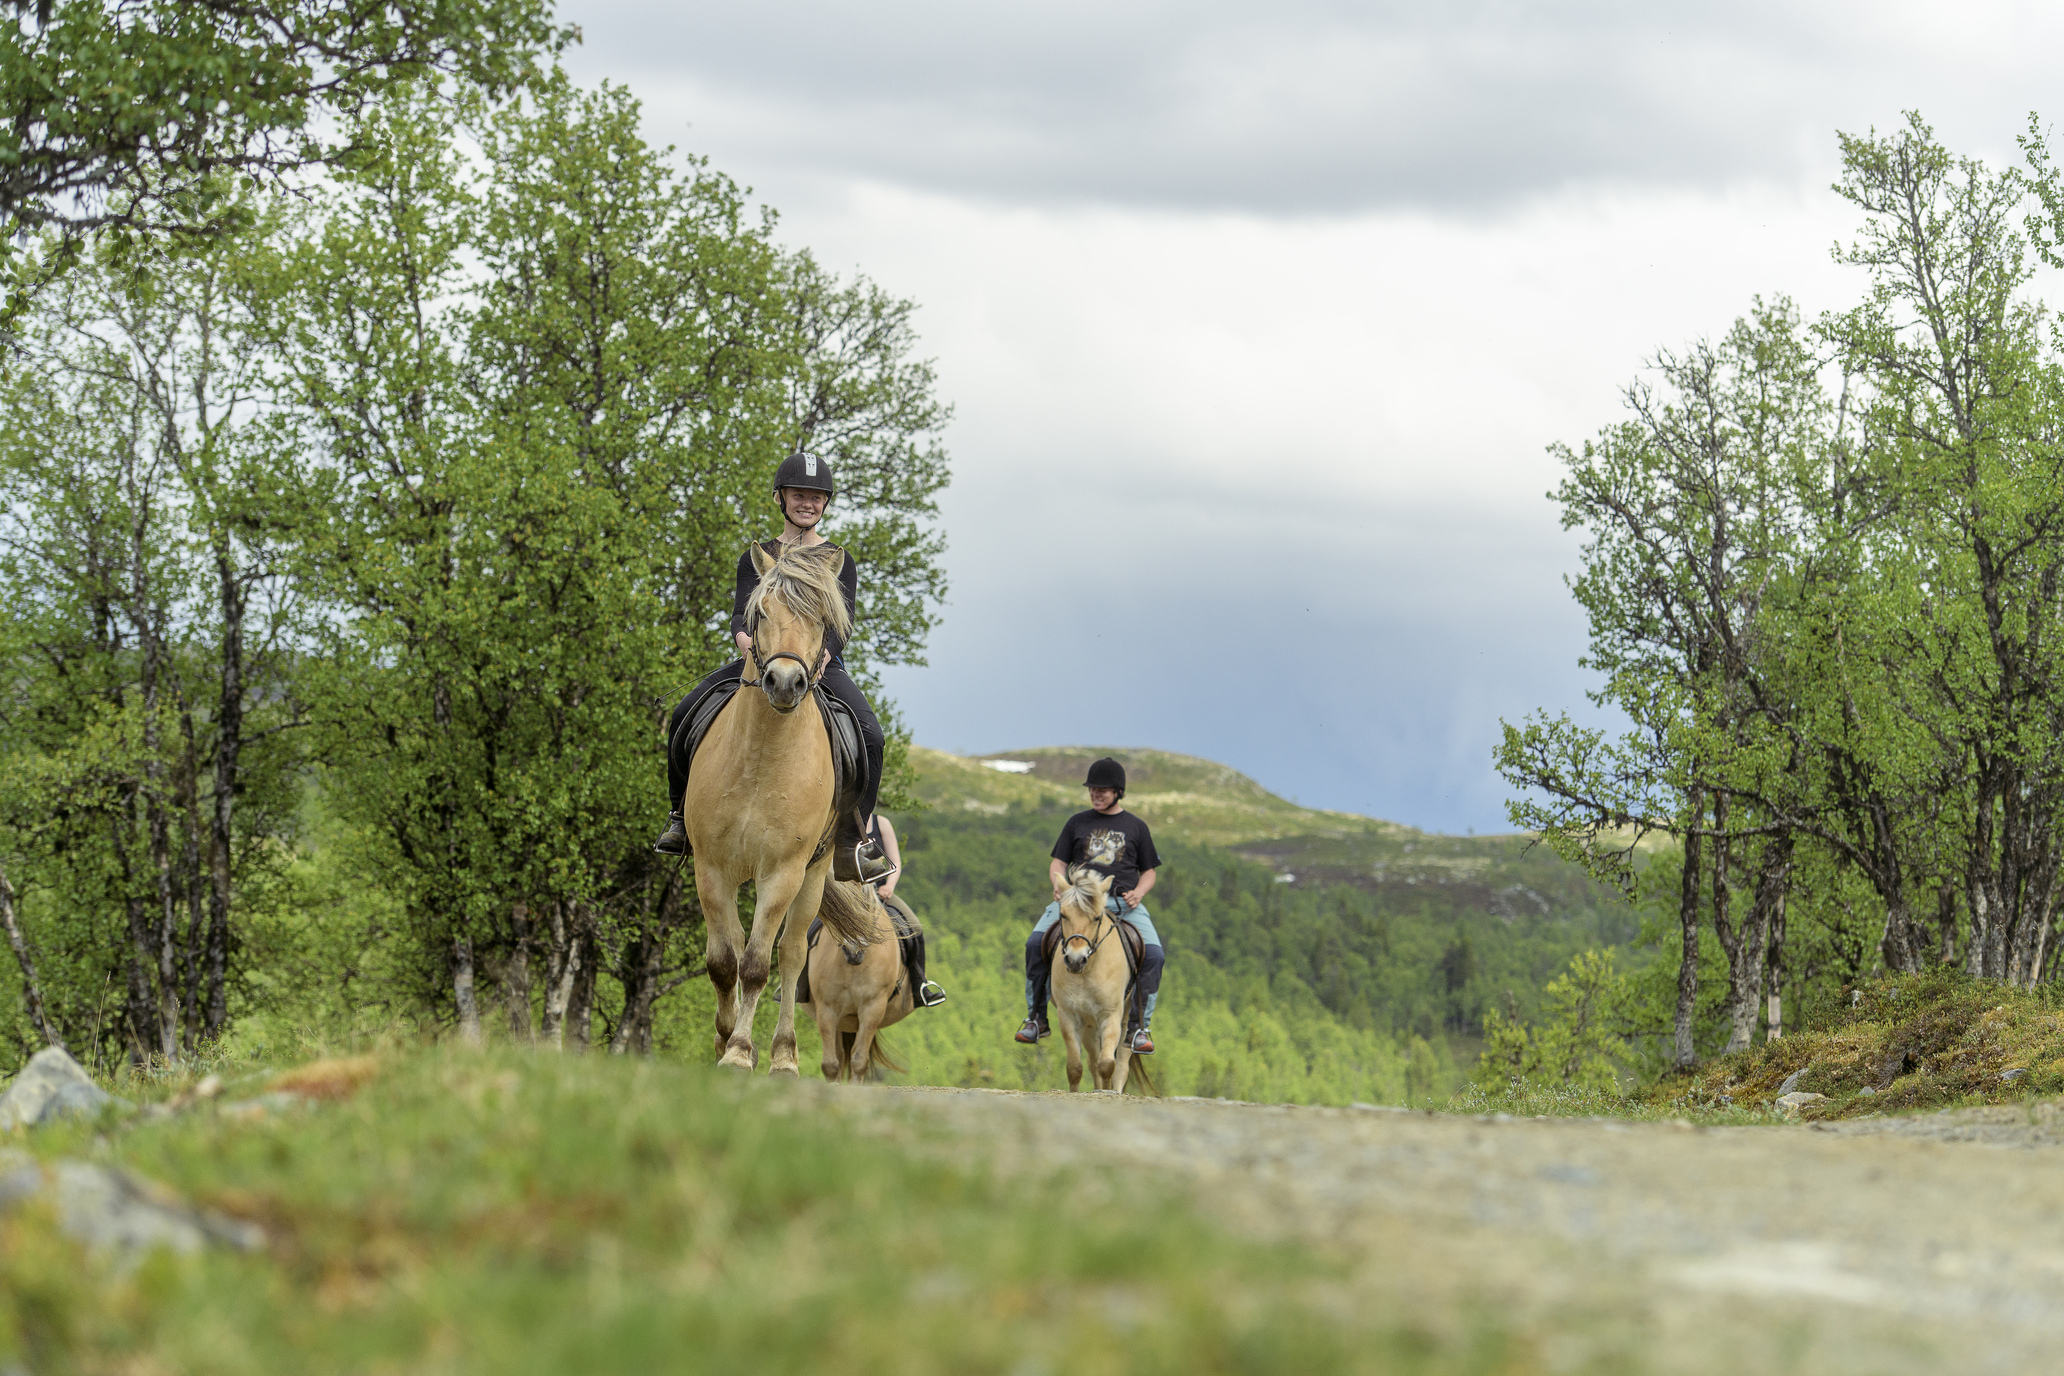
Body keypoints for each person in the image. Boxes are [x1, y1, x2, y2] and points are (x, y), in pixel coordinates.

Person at [652, 452, 892, 884]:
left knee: (871, 737)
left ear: (826, 503)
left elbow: (843, 622)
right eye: (800, 494)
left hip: (819, 664)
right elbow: (740, 615)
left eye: (817, 497)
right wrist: (745, 642)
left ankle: (854, 840)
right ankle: (678, 816)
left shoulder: (838, 559)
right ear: (781, 498)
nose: (808, 503)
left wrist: (822, 657)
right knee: (684, 711)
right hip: (759, 660)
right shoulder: (758, 556)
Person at [1015, 757, 1166, 1053]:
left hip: (1122, 901)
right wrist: (1059, 886)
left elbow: (1149, 871)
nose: (1096, 794)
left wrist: (1139, 892)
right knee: (1035, 944)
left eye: (1103, 790)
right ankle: (1036, 1018)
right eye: (1092, 790)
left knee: (1155, 956)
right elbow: (1059, 861)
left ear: (1118, 792)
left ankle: (1139, 1028)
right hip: (1077, 899)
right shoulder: (1077, 822)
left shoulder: (1136, 827)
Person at [871, 813, 946, 1008]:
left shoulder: (881, 823)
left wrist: (889, 886)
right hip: (847, 893)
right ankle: (798, 988)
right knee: (809, 927)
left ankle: (920, 986)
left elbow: (894, 863)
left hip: (880, 892)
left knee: (914, 928)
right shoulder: (840, 819)